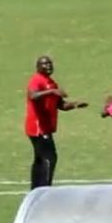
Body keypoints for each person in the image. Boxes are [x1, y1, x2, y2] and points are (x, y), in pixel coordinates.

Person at [24, 55, 87, 190]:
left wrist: (75, 104)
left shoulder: (52, 83)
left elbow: (61, 105)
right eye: (45, 64)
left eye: (50, 63)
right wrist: (52, 91)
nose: (48, 66)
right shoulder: (36, 80)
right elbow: (33, 96)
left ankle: (36, 188)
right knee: (49, 158)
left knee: (41, 158)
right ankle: (44, 188)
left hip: (46, 127)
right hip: (37, 127)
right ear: (38, 67)